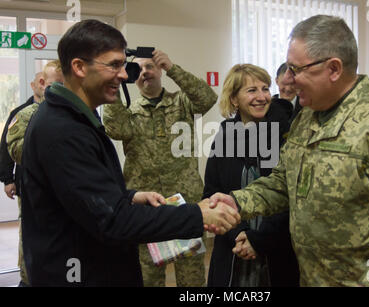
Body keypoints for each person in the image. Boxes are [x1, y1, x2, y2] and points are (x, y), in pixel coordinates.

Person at [209, 15, 369, 286]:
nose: (287, 80)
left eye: (295, 69)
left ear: (333, 69)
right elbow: (282, 183)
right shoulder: (306, 118)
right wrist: (238, 202)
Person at [16, 19, 239, 287]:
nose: (126, 74)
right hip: (91, 259)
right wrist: (198, 215)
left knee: (191, 281)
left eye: (126, 65)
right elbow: (109, 218)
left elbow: (85, 196)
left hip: (169, 204)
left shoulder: (72, 119)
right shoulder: (65, 128)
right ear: (78, 67)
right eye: (115, 65)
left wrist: (128, 197)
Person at [103, 51, 217, 287]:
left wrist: (173, 68)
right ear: (132, 77)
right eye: (139, 69)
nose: (145, 72)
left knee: (192, 277)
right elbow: (115, 129)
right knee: (148, 277)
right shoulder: (129, 113)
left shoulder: (181, 103)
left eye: (150, 66)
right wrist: (116, 82)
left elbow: (207, 98)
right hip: (147, 206)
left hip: (185, 202)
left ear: (160, 70)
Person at [203, 64, 299, 287]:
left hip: (276, 246)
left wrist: (259, 240)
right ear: (234, 99)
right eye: (252, 90)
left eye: (265, 89)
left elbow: (289, 196)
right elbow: (212, 192)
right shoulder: (225, 135)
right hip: (232, 246)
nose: (262, 97)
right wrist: (238, 235)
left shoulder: (285, 134)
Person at [0, 72, 43, 286]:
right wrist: (7, 179)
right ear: (34, 84)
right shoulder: (20, 113)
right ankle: (26, 278)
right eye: (43, 82)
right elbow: (6, 148)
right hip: (27, 184)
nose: (45, 87)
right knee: (28, 230)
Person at [7, 60, 64, 164]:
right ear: (43, 84)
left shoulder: (78, 112)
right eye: (57, 85)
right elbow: (17, 153)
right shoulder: (26, 115)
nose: (62, 91)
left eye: (66, 86)